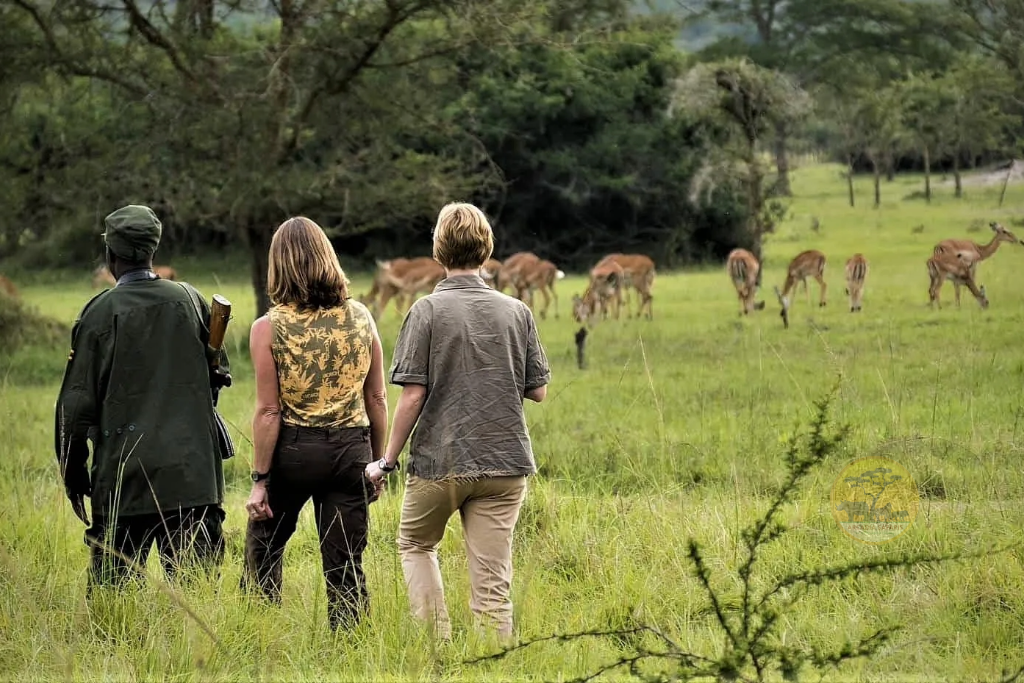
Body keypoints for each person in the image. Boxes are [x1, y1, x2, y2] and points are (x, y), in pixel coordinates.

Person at [365, 202, 551, 641]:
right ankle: (493, 662)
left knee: (414, 544)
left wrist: (385, 462)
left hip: (440, 462)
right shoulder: (517, 311)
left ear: (438, 250)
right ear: (487, 249)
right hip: (505, 463)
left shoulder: (426, 311)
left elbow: (412, 395)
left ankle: (435, 646)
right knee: (492, 580)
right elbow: (538, 390)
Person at [55, 204, 230, 591]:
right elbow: (219, 376)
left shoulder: (98, 314)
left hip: (123, 478)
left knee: (112, 602)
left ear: (110, 254)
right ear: (154, 248)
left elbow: (75, 407)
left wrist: (73, 475)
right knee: (197, 601)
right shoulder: (192, 300)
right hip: (191, 478)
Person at [242, 216, 388, 630]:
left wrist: (259, 479)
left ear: (279, 266)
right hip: (351, 452)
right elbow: (376, 397)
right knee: (344, 564)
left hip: (293, 452)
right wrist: (377, 464)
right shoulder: (362, 317)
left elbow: (269, 410)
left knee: (263, 548)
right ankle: (350, 649)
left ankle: (259, 633)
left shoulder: (267, 328)